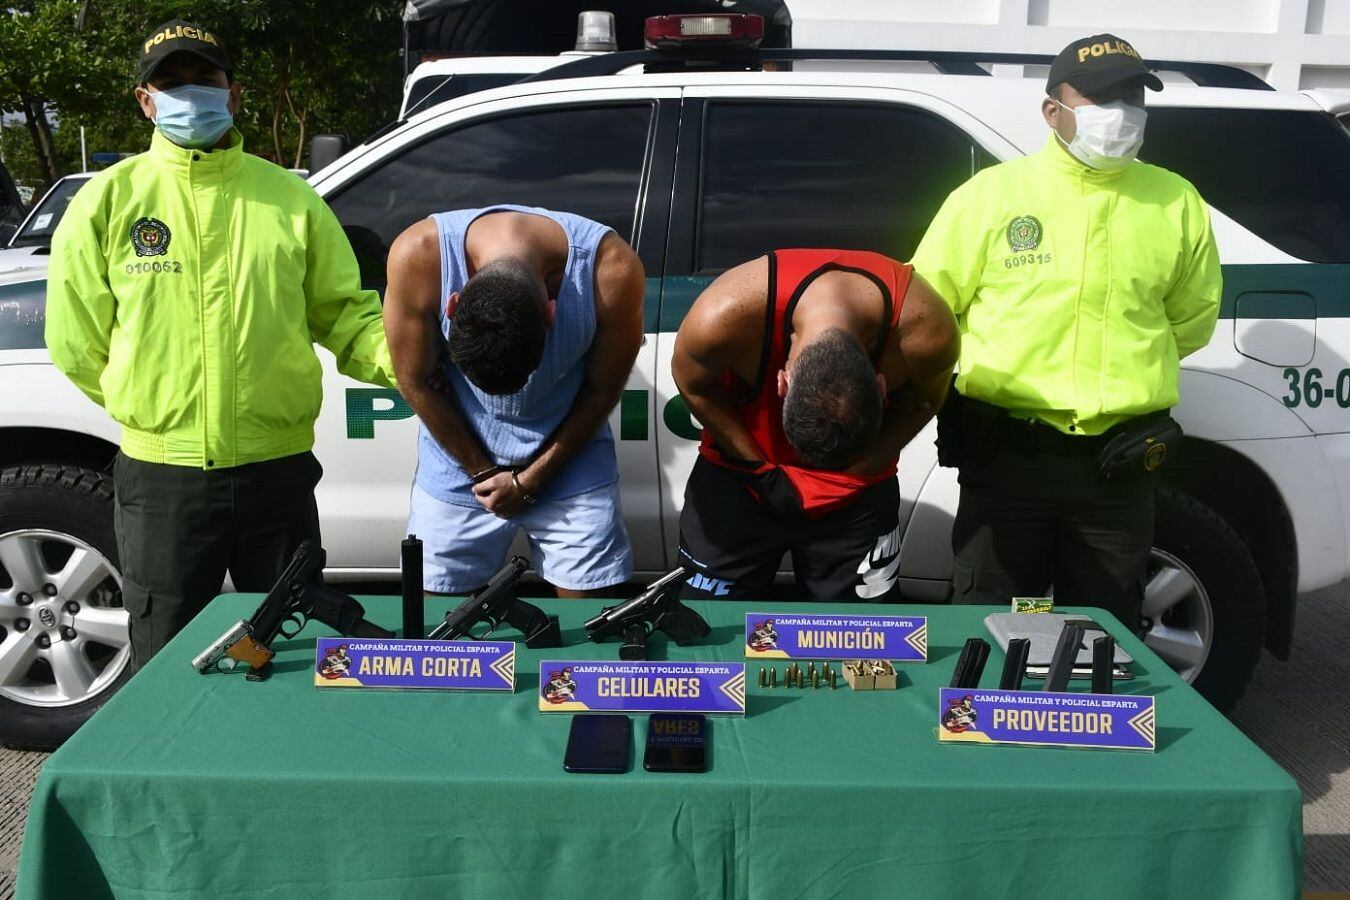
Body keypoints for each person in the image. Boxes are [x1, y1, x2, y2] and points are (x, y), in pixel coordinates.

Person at [45, 20, 394, 669]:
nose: (189, 95)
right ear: (144, 101)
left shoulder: (290, 200)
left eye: (203, 80)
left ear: (232, 94)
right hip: (162, 482)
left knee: (291, 654)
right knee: (167, 660)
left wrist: (426, 365)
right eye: (169, 83)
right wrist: (156, 407)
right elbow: (76, 342)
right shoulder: (107, 203)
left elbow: (348, 318)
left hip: (278, 477)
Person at [910, 34, 1223, 627]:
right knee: (995, 624)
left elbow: (1189, 322)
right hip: (1007, 461)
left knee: (1102, 630)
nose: (1122, 113)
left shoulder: (1176, 202)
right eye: (1103, 97)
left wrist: (1120, 372)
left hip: (1116, 468)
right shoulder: (991, 197)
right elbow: (927, 314)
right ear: (1053, 110)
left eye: (1134, 96)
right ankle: (991, 724)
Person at [382, 206, 644, 597]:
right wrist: (481, 471)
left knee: (589, 626)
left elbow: (601, 389)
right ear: (452, 306)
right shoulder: (419, 255)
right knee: (439, 638)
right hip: (457, 461)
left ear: (552, 313)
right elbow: (414, 380)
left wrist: (531, 480)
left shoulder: (612, 269)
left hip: (570, 459)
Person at [671, 249, 959, 601]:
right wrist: (758, 469)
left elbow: (925, 402)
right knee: (707, 625)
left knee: (862, 635)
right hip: (742, 478)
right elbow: (692, 383)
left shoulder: (926, 331)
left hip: (857, 488)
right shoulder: (723, 315)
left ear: (882, 384)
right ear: (783, 382)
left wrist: (857, 473)